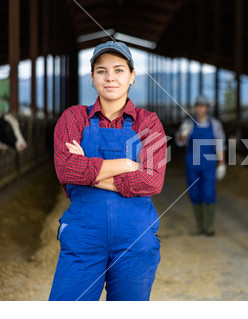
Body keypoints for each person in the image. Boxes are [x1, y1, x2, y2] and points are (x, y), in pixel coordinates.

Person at [49, 41, 167, 301]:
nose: (110, 77)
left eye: (119, 70)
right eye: (101, 71)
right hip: (83, 238)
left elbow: (152, 181)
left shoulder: (149, 122)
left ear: (132, 75)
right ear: (92, 77)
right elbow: (66, 169)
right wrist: (126, 165)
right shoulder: (73, 118)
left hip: (135, 240)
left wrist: (88, 172)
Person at [176, 95, 226, 236]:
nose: (200, 109)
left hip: (209, 163)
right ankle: (200, 226)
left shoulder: (215, 124)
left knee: (209, 192)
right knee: (194, 192)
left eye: (203, 106)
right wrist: (183, 134)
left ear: (207, 108)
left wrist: (222, 164)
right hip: (193, 162)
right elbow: (180, 142)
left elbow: (220, 144)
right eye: (198, 106)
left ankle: (209, 227)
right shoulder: (188, 124)